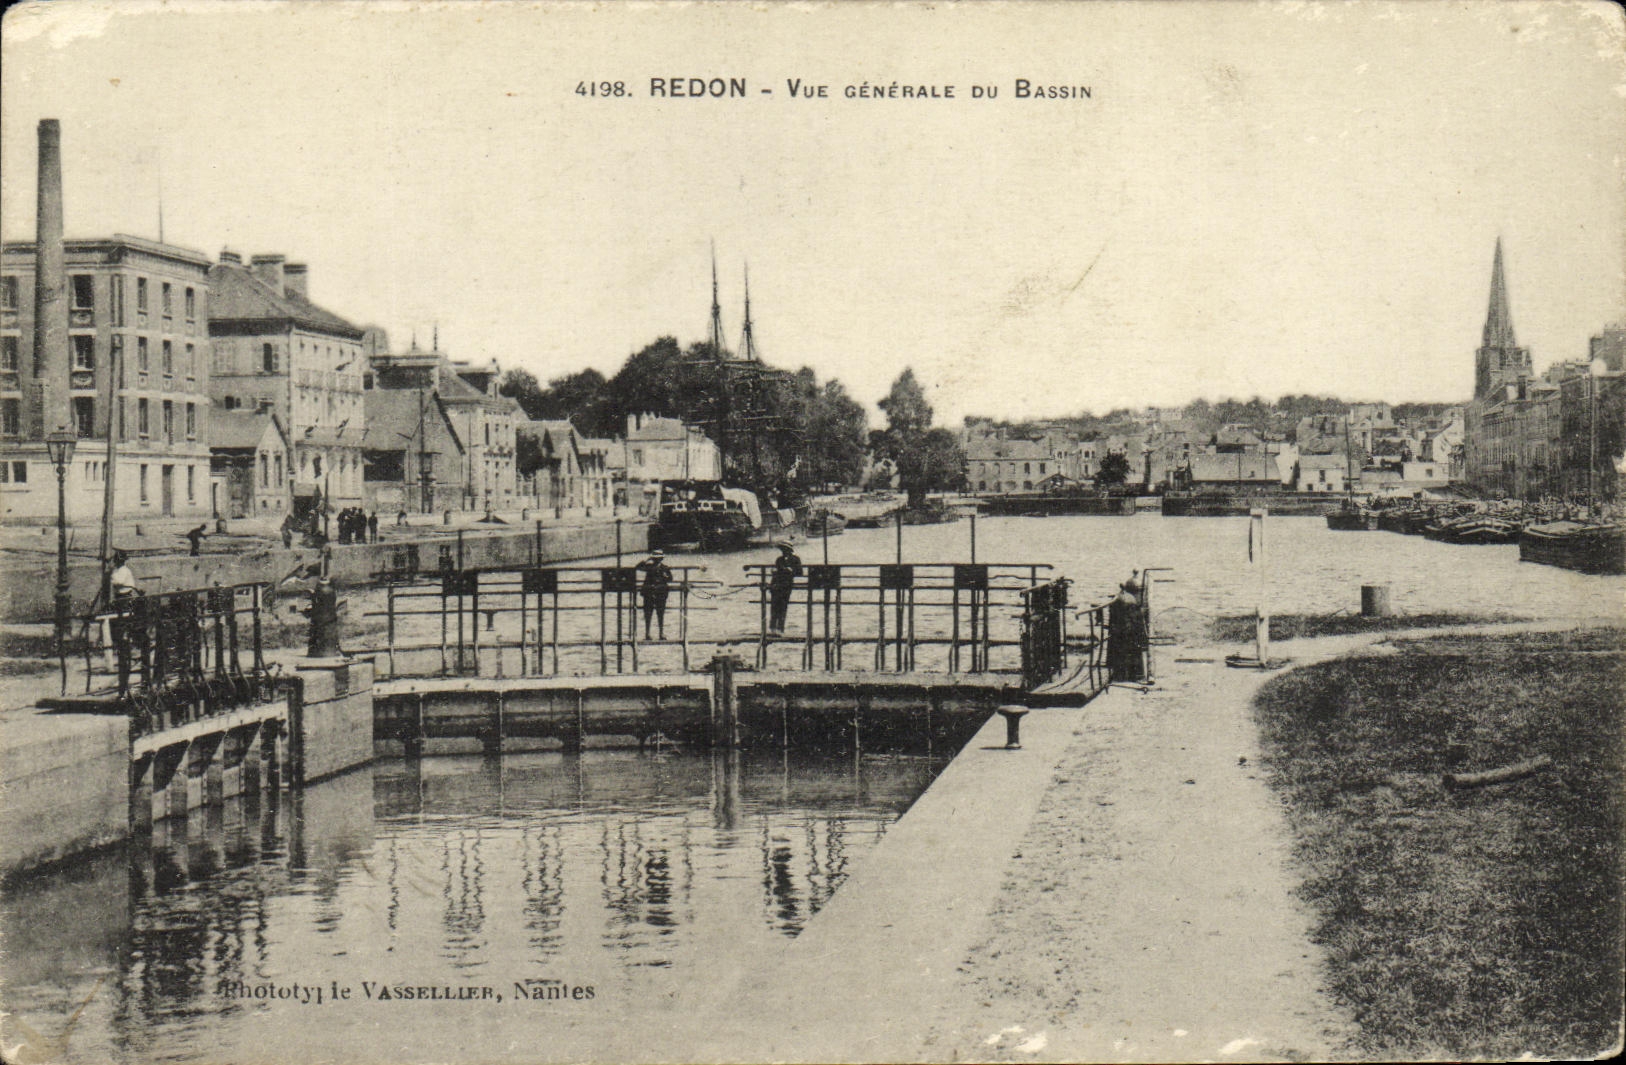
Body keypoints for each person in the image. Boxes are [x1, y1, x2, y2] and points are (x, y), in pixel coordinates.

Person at [1107, 573, 1146, 683]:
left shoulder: (1120, 597)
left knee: (1121, 653)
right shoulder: (1131, 600)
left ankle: (1120, 675)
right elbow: (1132, 618)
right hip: (1128, 631)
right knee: (1132, 652)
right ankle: (1134, 676)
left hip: (1119, 630)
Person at [635, 549, 673, 640]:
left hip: (661, 593)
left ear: (661, 559)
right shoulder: (648, 567)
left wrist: (666, 577)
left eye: (659, 559)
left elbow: (671, 579)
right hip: (649, 592)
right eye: (655, 559)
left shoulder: (665, 568)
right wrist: (646, 560)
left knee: (660, 613)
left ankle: (661, 633)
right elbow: (637, 567)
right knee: (648, 613)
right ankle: (647, 633)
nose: (657, 560)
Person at [768, 541, 802, 636]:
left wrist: (792, 570)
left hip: (786, 585)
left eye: (785, 549)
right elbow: (776, 571)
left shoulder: (795, 559)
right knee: (774, 606)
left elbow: (800, 572)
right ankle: (773, 628)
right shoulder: (779, 560)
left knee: (783, 607)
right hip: (776, 585)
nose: (783, 551)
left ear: (789, 550)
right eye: (782, 550)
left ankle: (780, 628)